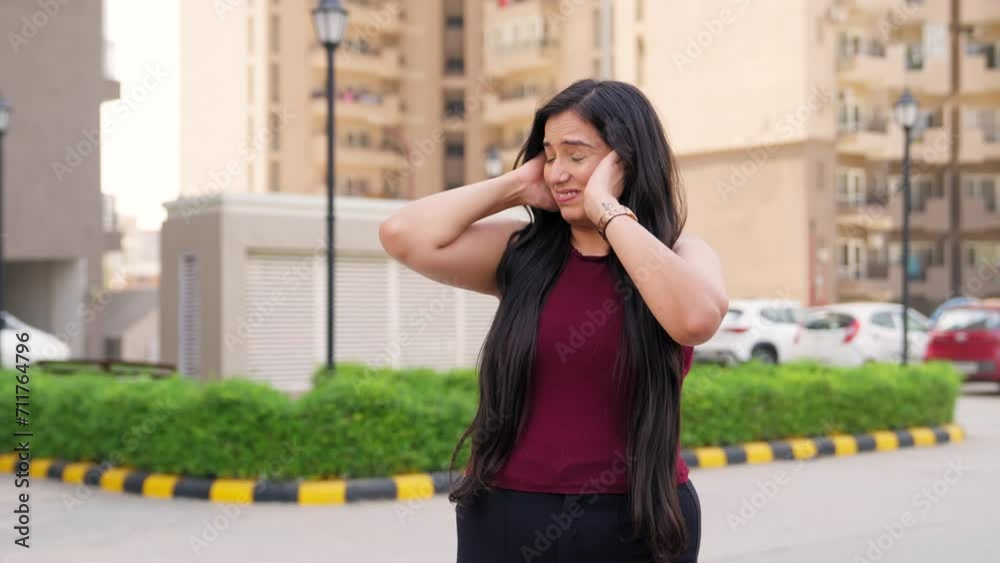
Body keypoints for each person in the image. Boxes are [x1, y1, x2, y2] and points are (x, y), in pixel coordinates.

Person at [379, 79, 727, 563]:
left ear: (625, 162)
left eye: (576, 155)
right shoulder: (523, 253)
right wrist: (519, 184)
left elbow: (696, 320)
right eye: (548, 155)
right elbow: (402, 235)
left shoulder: (679, 254)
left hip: (638, 518)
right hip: (505, 515)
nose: (558, 172)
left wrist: (607, 210)